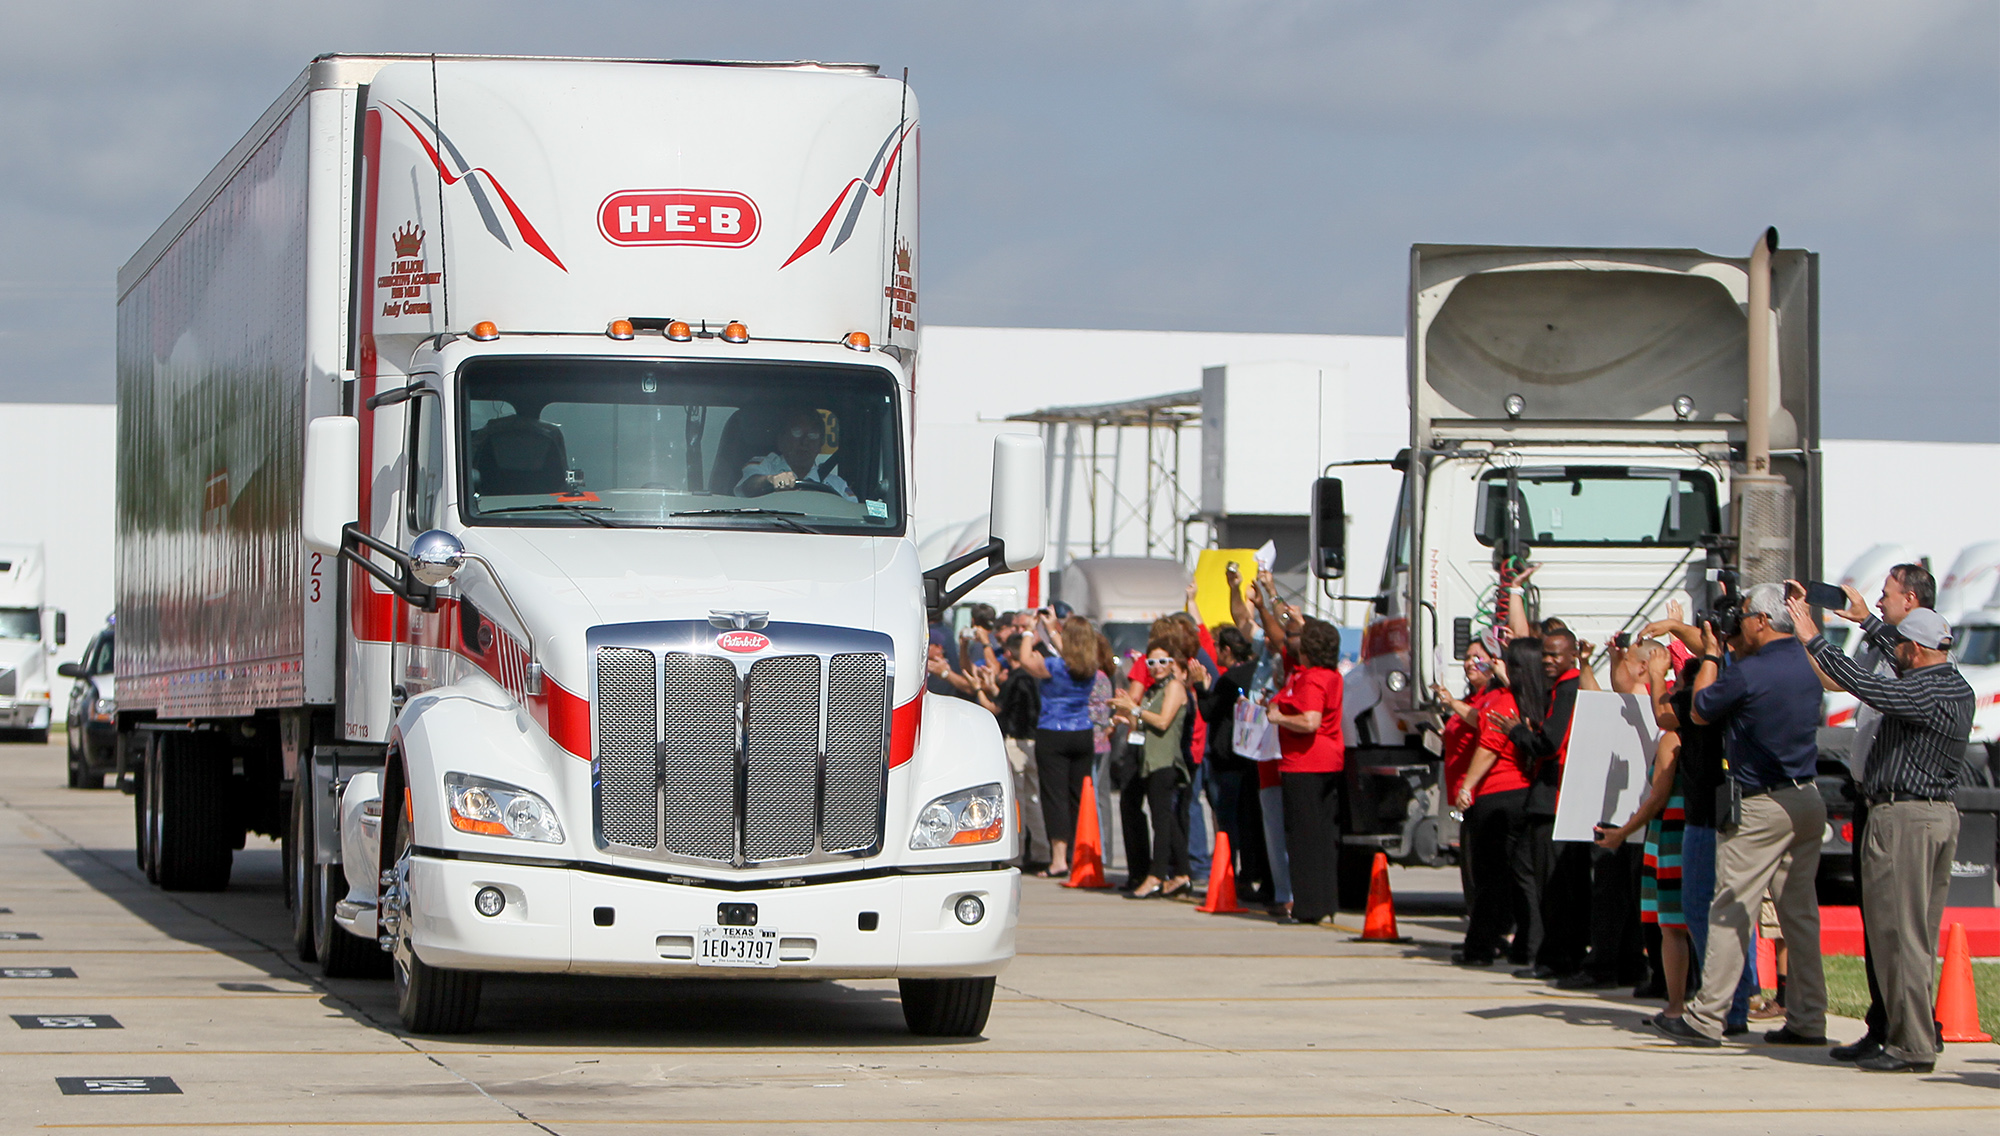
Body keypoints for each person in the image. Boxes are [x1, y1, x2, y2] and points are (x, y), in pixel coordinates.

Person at [1793, 589, 1974, 1073]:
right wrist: (1868, 622)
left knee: (1898, 937)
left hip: (1905, 821)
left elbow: (1867, 686)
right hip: (1934, 817)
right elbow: (1900, 657)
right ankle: (1912, 1035)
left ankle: (1911, 1044)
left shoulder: (1922, 690)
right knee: (1913, 935)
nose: (1894, 653)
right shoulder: (1953, 684)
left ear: (1914, 651)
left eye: (1900, 648)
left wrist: (1814, 640)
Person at [1655, 582, 1828, 1049]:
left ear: (1762, 621)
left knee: (1730, 907)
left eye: (1746, 614)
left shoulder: (1749, 672)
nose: (1742, 622)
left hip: (1761, 802)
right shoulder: (1808, 661)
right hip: (1807, 795)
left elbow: (1701, 709)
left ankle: (1707, 1016)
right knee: (1799, 914)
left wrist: (1711, 654)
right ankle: (1809, 1016)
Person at [1595, 643, 1692, 1026]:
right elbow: (1626, 687)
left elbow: (1657, 797)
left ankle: (1676, 1004)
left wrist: (1623, 833)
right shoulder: (1703, 729)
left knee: (1672, 926)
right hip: (1686, 830)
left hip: (1669, 834)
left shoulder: (1673, 737)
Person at [1493, 626, 1585, 979]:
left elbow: (1550, 743)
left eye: (1555, 654)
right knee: (1555, 885)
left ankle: (1557, 957)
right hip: (1555, 798)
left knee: (1555, 887)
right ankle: (1558, 954)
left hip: (1556, 800)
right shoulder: (1563, 688)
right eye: (1544, 654)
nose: (1548, 660)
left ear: (1572, 655)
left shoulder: (1568, 689)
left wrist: (1517, 732)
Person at [1450, 637, 1541, 964]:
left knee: (1488, 877)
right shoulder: (1522, 697)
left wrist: (1467, 787)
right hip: (1519, 793)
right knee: (1518, 875)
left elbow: (1489, 746)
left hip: (1498, 793)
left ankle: (1480, 947)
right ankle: (1524, 945)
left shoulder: (1505, 701)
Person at [1264, 618, 1346, 925]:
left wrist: (1278, 718)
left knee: (1302, 837)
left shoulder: (1311, 679)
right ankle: (1325, 900)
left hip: (1306, 763)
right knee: (1323, 837)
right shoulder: (1330, 676)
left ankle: (1308, 905)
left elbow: (1310, 720)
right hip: (1328, 760)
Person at [1019, 613, 1101, 878]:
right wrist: (1053, 629)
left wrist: (1030, 632)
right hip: (1082, 732)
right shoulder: (1090, 668)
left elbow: (1025, 659)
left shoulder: (1054, 666)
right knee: (1078, 796)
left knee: (1055, 798)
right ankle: (1077, 853)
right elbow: (1073, 655)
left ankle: (1058, 859)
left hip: (1053, 732)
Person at [1112, 636, 1193, 898]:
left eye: (1163, 661)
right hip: (1149, 760)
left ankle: (1156, 876)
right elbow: (1143, 725)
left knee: (1161, 820)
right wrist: (1125, 715)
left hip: (1165, 761)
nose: (1157, 666)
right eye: (1152, 662)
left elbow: (1162, 722)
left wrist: (1134, 709)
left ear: (1173, 663)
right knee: (1166, 819)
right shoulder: (1154, 690)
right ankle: (1181, 874)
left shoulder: (1174, 688)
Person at [736, 407, 851, 498]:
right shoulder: (765, 466)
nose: (805, 441)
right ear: (781, 440)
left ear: (820, 445)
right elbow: (749, 486)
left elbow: (853, 514)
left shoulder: (837, 485)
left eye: (813, 434)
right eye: (797, 432)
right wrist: (770, 480)